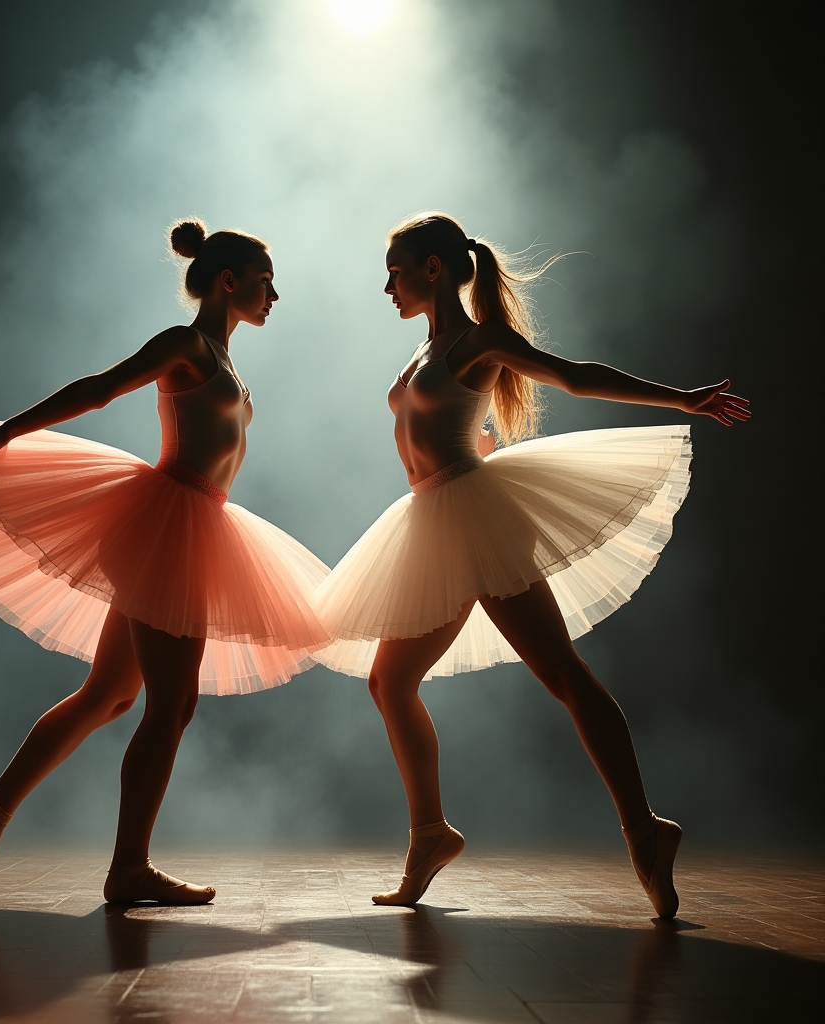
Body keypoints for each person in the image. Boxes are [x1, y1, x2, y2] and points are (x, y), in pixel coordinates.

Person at [313, 212, 749, 917]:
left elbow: (574, 377)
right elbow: (444, 425)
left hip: (468, 518)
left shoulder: (478, 341)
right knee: (390, 681)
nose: (385, 284)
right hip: (436, 519)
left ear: (432, 269)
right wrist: (475, 443)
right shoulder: (424, 351)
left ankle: (643, 829)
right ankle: (430, 833)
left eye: (395, 269)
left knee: (561, 674)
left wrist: (682, 399)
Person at [0, 219, 330, 904]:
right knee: (171, 703)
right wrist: (4, 433)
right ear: (228, 282)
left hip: (187, 525)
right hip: (168, 525)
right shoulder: (186, 346)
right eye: (265, 282)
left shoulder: (223, 359)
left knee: (111, 695)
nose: (274, 296)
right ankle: (128, 867)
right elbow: (100, 388)